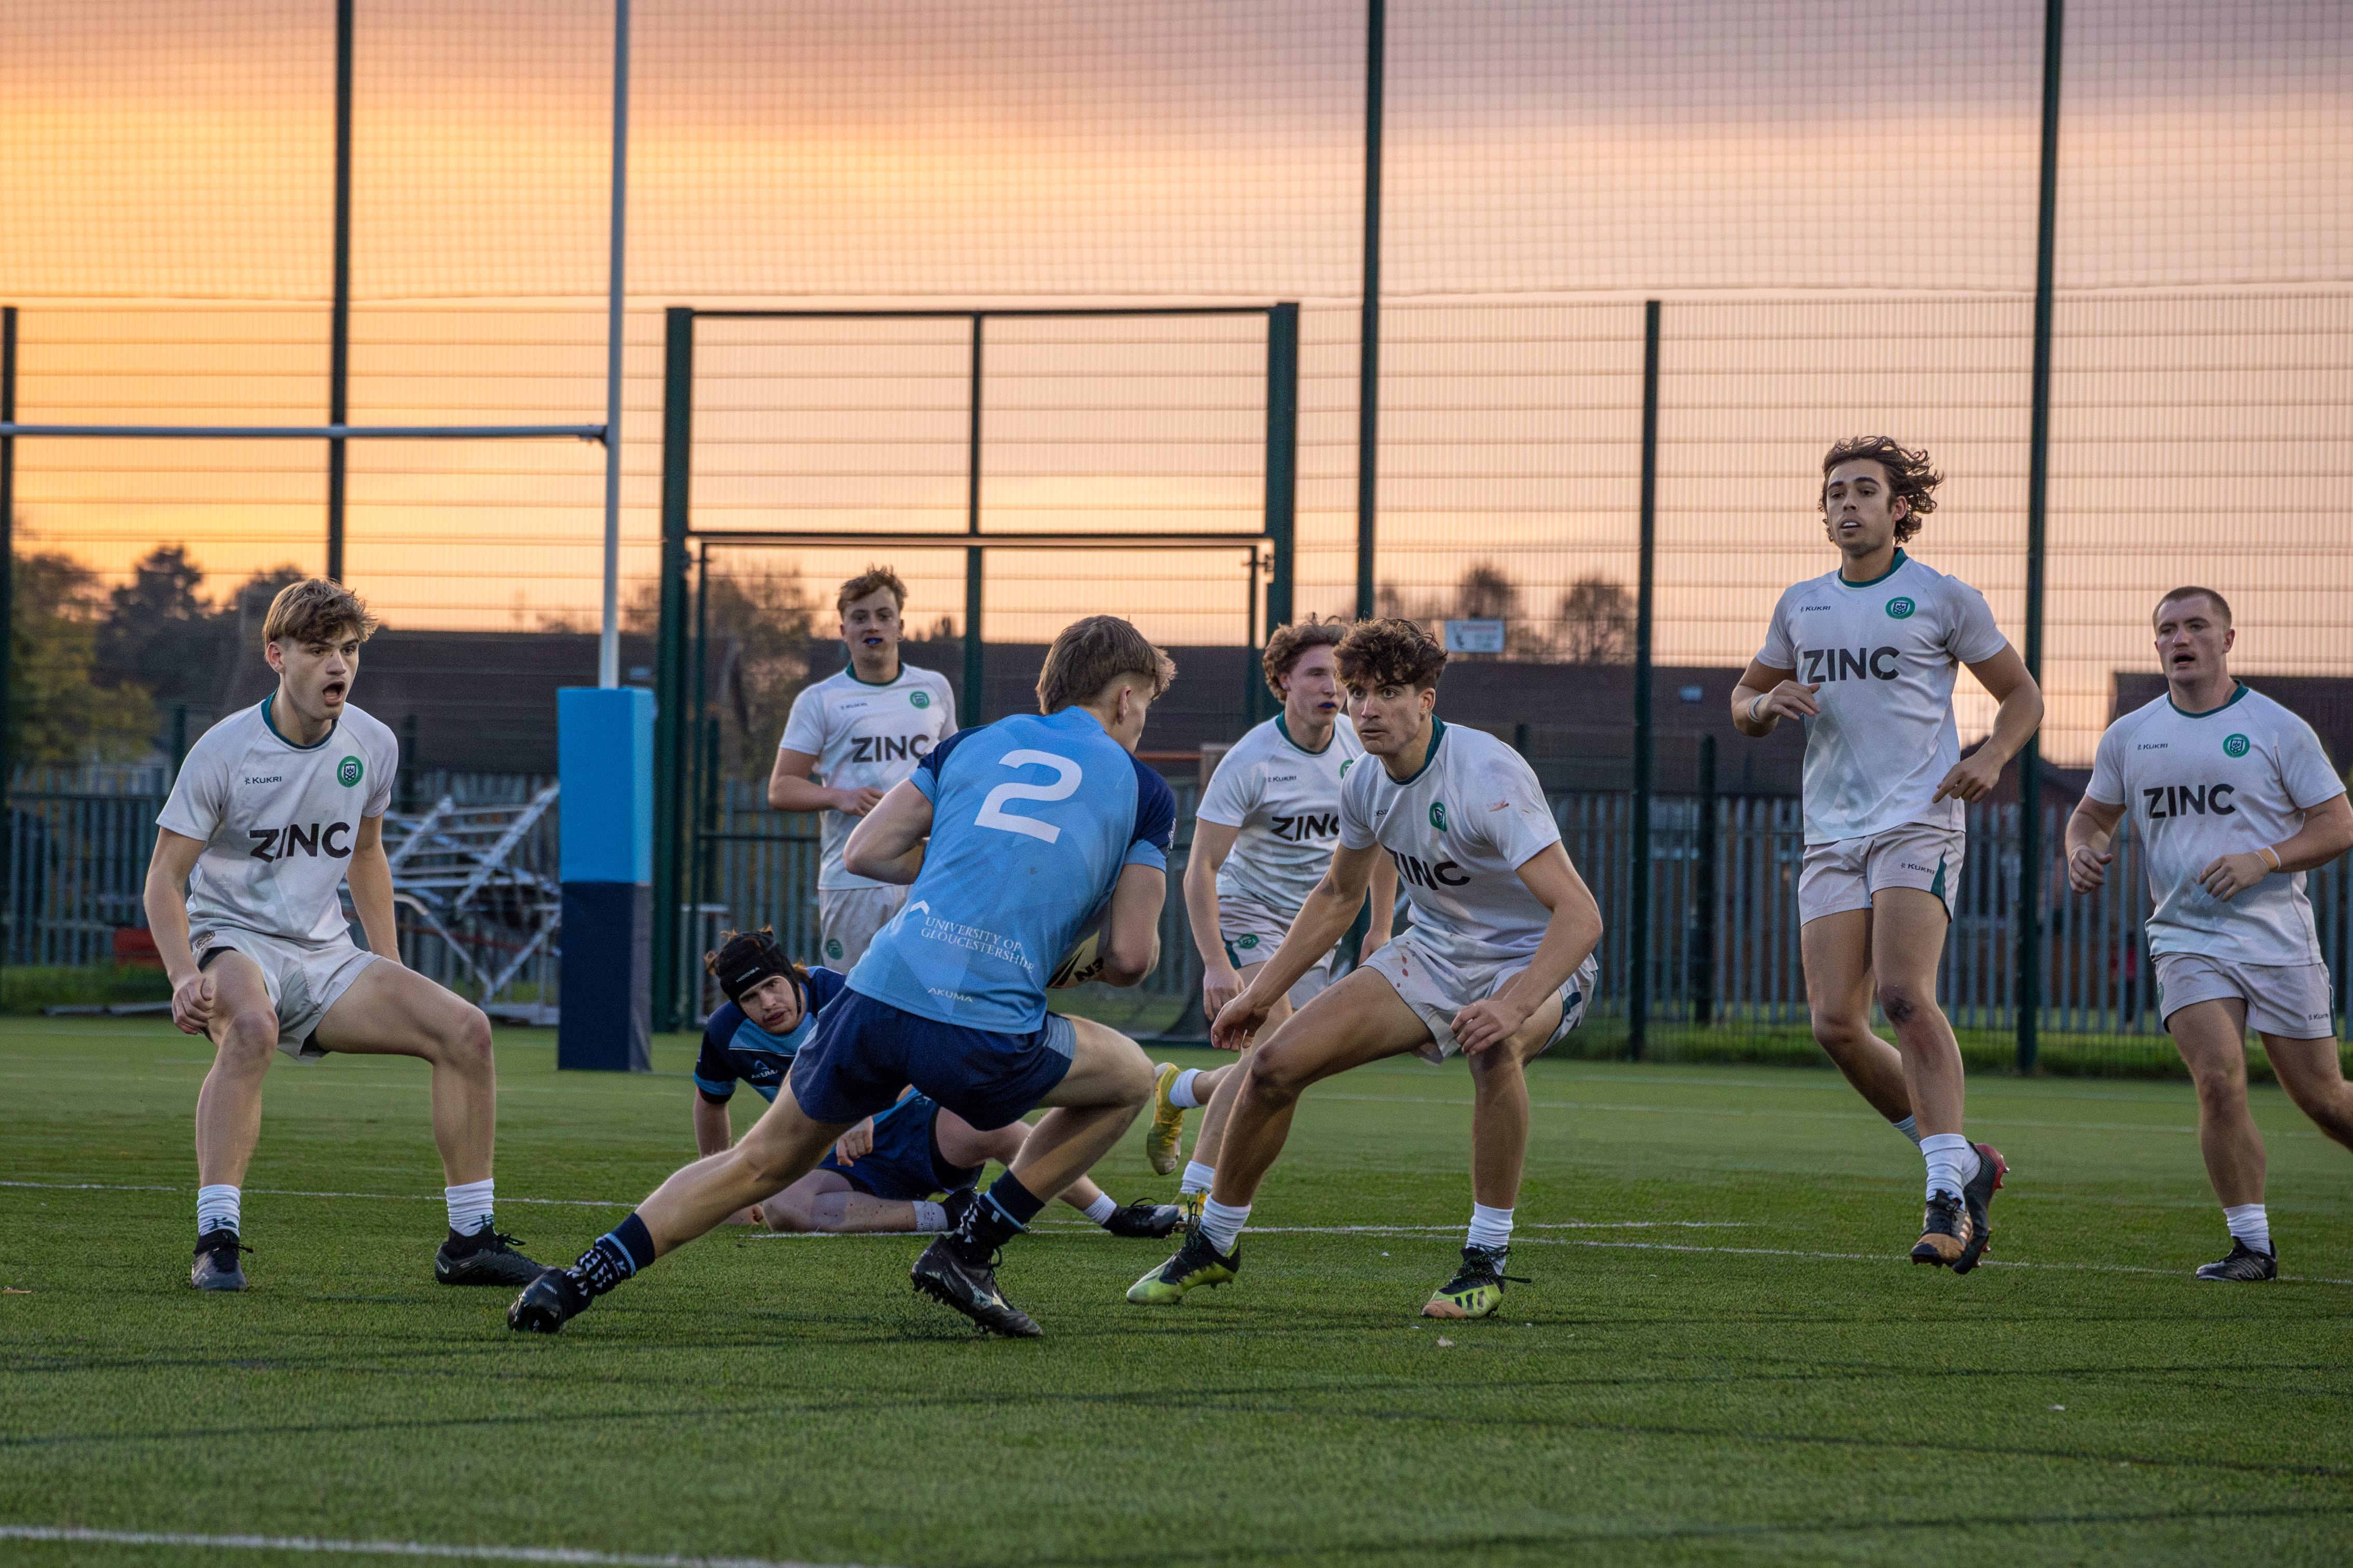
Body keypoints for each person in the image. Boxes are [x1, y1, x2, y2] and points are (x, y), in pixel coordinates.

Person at [509, 616, 1175, 1339]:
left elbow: (865, 852)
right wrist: (1067, 954)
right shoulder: (1144, 790)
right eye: (1146, 705)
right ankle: (970, 1248)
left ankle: (574, 1280)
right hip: (981, 1028)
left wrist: (961, 869)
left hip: (877, 993)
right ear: (1125, 697)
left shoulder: (972, 743)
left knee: (757, 1163)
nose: (1142, 720)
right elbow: (1130, 957)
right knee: (1130, 1078)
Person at [1129, 617, 1603, 1320]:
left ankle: (1484, 1262)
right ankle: (1214, 1245)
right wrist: (1259, 994)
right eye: (1357, 692)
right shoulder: (1364, 782)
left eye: (1387, 692)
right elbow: (1337, 895)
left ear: (1426, 700)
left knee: (1494, 1048)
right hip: (1433, 953)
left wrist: (1511, 1003)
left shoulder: (1488, 774)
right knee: (1273, 1066)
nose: (1366, 708)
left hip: (1536, 959)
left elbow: (1580, 916)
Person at [143, 579, 542, 1292]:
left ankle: (470, 1242)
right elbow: (164, 880)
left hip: (325, 953)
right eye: (319, 649)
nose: (339, 665)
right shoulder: (224, 750)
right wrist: (181, 976)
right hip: (233, 938)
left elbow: (365, 853)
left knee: (467, 1031)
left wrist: (388, 964)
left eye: (350, 650)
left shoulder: (372, 744)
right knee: (253, 1028)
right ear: (277, 655)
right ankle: (216, 1240)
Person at [1729, 437, 2043, 1272]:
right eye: (1835, 492)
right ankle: (1963, 1159)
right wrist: (1763, 705)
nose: (1847, 504)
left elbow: (2023, 695)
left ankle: (1945, 1195)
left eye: (1865, 490)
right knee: (1836, 1023)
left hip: (1919, 820)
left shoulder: (1942, 597)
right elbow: (1742, 698)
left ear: (1900, 508)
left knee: (1904, 993)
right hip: (1831, 834)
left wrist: (1991, 756)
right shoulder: (1802, 604)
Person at [2065, 588, 2353, 1281]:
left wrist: (2265, 858)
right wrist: (2079, 849)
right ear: (2156, 645)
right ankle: (2251, 1246)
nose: (2180, 639)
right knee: (2218, 1080)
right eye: (2167, 629)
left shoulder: (2276, 728)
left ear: (2227, 640)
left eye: (2196, 626)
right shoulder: (2129, 735)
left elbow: (2337, 824)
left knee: (2324, 1101)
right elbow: (2092, 816)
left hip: (2277, 941)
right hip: (2184, 938)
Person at [689, 930, 1175, 1239]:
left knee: (1000, 1129)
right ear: (735, 1004)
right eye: (750, 997)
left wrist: (860, 1109)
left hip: (917, 1125)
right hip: (839, 1160)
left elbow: (905, 1054)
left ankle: (1114, 1216)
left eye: (773, 985)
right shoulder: (726, 1033)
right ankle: (950, 1215)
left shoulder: (841, 991)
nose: (768, 1003)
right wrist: (729, 1196)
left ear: (791, 973)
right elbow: (711, 1103)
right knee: (785, 1209)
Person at [1147, 618, 1397, 1219]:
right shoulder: (1251, 761)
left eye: (1338, 676)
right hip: (1247, 908)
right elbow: (1200, 868)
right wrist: (1214, 963)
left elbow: (1384, 841)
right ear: (1283, 680)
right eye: (1315, 674)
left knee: (1280, 1064)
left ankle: (1179, 1089)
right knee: (1274, 1043)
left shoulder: (1360, 749)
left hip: (1314, 927)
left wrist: (1381, 928)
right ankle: (1196, 1197)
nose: (1331, 687)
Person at [769, 567, 956, 969]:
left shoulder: (934, 688)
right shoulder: (820, 700)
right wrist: (840, 796)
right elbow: (781, 787)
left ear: (900, 626)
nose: (873, 625)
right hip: (851, 877)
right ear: (844, 631)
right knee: (851, 992)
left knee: (928, 990)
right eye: (860, 617)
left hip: (924, 871)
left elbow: (952, 773)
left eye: (883, 615)